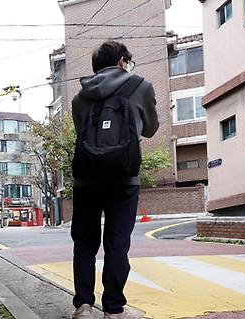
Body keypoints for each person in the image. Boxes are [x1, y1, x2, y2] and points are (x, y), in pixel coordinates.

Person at [69, 41, 159, 319]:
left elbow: (82, 134)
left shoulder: (80, 97)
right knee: (117, 244)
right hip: (124, 176)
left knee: (85, 243)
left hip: (87, 178)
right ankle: (113, 310)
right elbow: (152, 128)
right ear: (122, 61)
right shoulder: (140, 86)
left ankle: (83, 306)